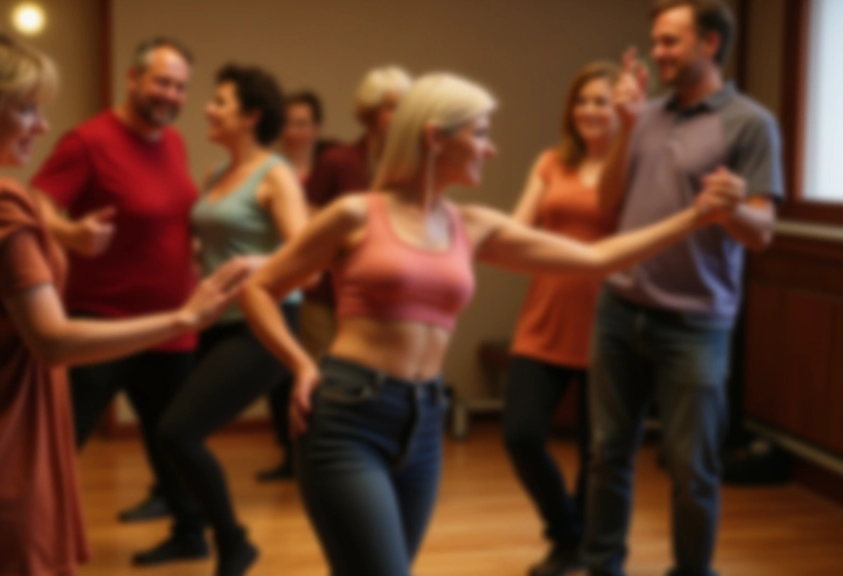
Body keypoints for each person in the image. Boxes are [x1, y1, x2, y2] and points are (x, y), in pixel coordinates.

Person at [239, 72, 745, 576]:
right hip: (348, 417)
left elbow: (596, 258)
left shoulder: (473, 226)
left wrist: (694, 219)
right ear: (435, 137)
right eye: (479, 133)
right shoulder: (355, 215)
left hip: (425, 418)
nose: (491, 149)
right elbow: (260, 289)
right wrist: (300, 363)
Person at [0, 22, 249, 576]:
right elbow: (52, 341)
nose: (41, 125)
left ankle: (198, 529)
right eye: (25, 110)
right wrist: (184, 317)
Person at [584, 1, 781, 575]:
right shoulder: (642, 116)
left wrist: (731, 208)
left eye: (671, 41)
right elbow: (606, 202)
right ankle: (602, 566)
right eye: (656, 41)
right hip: (619, 310)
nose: (658, 53)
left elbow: (763, 231)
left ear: (711, 43)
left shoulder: (750, 123)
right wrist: (624, 126)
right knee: (606, 455)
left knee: (692, 467)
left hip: (696, 323)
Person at [30, 36, 205, 534]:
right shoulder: (86, 141)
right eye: (162, 82)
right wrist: (70, 235)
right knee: (62, 441)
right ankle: (32, 540)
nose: (171, 94)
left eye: (180, 87)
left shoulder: (174, 142)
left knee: (173, 439)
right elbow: (36, 204)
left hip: (170, 324)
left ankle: (190, 536)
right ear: (133, 79)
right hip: (99, 321)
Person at [151, 64, 309, 576]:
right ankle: (217, 538)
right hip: (218, 323)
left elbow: (305, 254)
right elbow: (210, 244)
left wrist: (252, 265)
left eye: (220, 101)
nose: (207, 108)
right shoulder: (216, 174)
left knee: (177, 431)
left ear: (251, 116)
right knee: (171, 431)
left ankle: (234, 543)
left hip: (265, 323)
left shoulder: (276, 174)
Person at [503, 61, 620, 576]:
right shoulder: (551, 162)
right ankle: (566, 531)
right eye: (582, 100)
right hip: (546, 313)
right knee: (521, 434)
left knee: (597, 450)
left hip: (610, 318)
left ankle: (585, 546)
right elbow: (515, 229)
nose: (590, 110)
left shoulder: (634, 167)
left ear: (625, 110)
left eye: (602, 101)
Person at [298, 66, 412, 363]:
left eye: (407, 108)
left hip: (384, 299)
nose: (402, 116)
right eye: (393, 107)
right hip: (326, 298)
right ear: (371, 112)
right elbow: (306, 226)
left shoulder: (412, 171)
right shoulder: (337, 161)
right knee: (325, 382)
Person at [258, 89, 337, 482]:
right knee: (287, 372)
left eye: (303, 123)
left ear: (316, 128)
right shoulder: (271, 171)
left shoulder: (329, 171)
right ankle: (292, 454)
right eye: (288, 122)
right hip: (288, 286)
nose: (294, 131)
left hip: (328, 285)